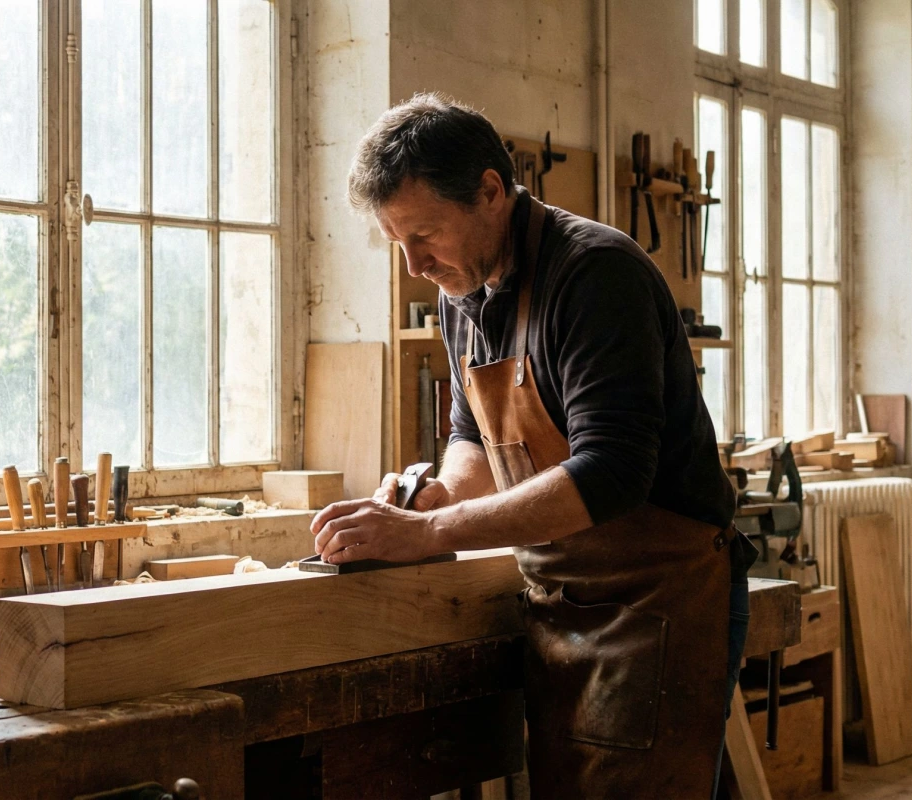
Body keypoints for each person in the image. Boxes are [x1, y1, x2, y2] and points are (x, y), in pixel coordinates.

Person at [312, 92, 753, 798]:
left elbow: (611, 474)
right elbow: (471, 438)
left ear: (491, 191)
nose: (413, 267)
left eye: (425, 235)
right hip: (562, 600)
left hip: (660, 599)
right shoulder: (468, 294)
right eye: (398, 243)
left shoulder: (594, 275)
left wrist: (430, 532)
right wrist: (442, 494)